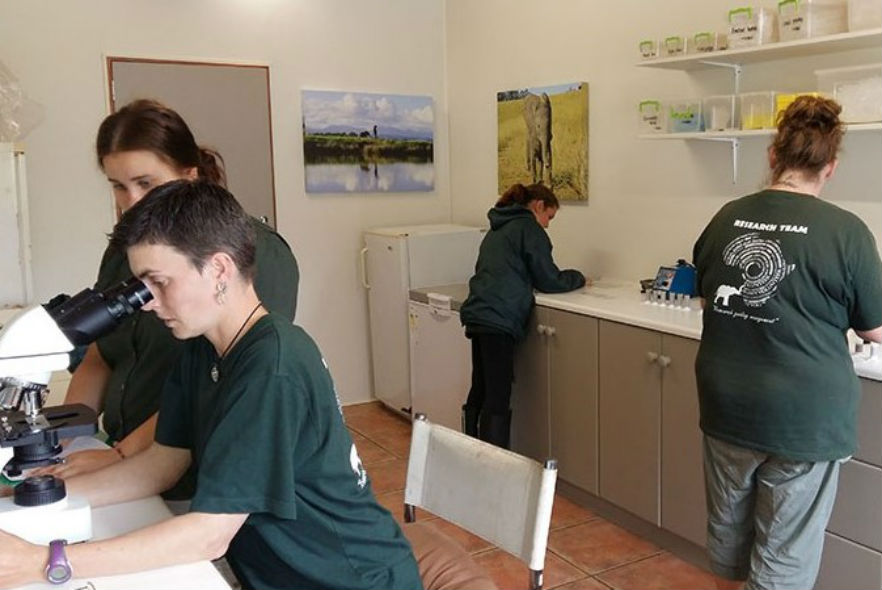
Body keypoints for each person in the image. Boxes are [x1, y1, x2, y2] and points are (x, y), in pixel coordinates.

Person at [0, 180, 422, 590]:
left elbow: (210, 535)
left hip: (344, 579)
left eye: (160, 283)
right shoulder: (205, 349)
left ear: (219, 269)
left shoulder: (273, 366)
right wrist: (34, 497)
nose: (148, 304)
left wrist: (45, 562)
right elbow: (162, 465)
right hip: (278, 573)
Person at [45, 100, 299, 497]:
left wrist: (121, 457)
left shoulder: (256, 253)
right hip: (126, 456)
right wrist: (62, 436)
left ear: (189, 176)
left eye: (146, 183)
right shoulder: (125, 250)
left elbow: (230, 380)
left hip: (193, 467)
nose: (131, 201)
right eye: (118, 186)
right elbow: (101, 355)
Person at [692, 95, 882, 590]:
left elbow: (710, 301)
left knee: (729, 533)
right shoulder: (846, 233)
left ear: (773, 156)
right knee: (785, 553)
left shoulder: (726, 217)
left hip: (727, 406)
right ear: (831, 167)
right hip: (803, 418)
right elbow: (875, 329)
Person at [459, 183, 585, 448]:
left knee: (480, 387)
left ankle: (469, 452)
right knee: (498, 395)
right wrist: (579, 278)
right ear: (538, 206)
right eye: (549, 217)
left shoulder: (499, 227)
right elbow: (549, 279)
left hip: (479, 312)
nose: (547, 225)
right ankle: (493, 463)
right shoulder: (528, 229)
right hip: (499, 317)